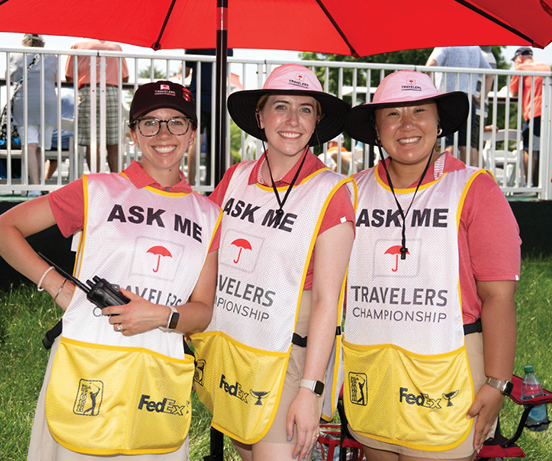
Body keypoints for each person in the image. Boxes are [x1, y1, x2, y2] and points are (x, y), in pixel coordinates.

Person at [0, 80, 222, 460]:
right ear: (132, 133)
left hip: (157, 375)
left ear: (193, 134)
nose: (163, 133)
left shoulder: (209, 215)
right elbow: (6, 228)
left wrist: (161, 316)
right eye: (150, 122)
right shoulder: (97, 190)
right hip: (86, 362)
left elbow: (202, 311)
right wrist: (58, 287)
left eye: (177, 122)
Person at [343, 70, 520, 461]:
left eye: (420, 110)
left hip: (448, 367)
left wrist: (497, 383)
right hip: (372, 370)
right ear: (375, 126)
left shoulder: (475, 188)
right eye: (392, 114)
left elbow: (498, 297)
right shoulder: (351, 192)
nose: (407, 125)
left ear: (439, 120)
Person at [191, 64, 356, 461]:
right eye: (280, 106)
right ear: (260, 116)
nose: (291, 120)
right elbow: (203, 256)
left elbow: (326, 303)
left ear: (317, 121)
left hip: (288, 361)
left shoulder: (330, 191)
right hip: (231, 354)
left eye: (305, 109)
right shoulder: (235, 177)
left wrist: (309, 391)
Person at [64, 39, 129, 173]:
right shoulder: (116, 46)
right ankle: (115, 181)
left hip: (87, 91)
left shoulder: (77, 45)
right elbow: (125, 78)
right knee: (113, 141)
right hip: (111, 91)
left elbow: (69, 77)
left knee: (92, 142)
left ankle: (97, 179)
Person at [8, 34, 58, 196]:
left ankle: (35, 186)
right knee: (41, 147)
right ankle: (40, 182)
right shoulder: (52, 56)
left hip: (24, 103)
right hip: (48, 103)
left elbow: (10, 77)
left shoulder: (15, 54)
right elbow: (55, 78)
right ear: (42, 42)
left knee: (30, 145)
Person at [426, 46, 493, 166]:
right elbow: (490, 74)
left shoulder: (446, 45)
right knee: (466, 144)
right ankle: (465, 178)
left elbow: (430, 66)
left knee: (447, 142)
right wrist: (481, 98)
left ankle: (445, 178)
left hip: (448, 98)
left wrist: (433, 92)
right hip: (468, 99)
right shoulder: (475, 48)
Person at [184, 48, 233, 185]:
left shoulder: (194, 44)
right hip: (219, 98)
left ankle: (191, 184)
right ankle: (229, 183)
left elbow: (185, 72)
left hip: (198, 97)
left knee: (194, 140)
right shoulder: (226, 45)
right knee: (222, 141)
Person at [509, 47, 551, 187]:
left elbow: (513, 92)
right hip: (549, 112)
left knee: (528, 148)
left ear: (519, 57)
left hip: (534, 112)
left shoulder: (520, 68)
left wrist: (517, 66)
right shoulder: (545, 66)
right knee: (547, 147)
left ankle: (529, 183)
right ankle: (546, 184)